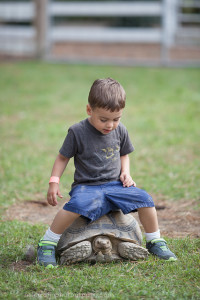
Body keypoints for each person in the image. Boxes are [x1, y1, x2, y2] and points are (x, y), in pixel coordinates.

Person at [37, 78, 177, 267]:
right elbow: (63, 157)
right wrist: (54, 181)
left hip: (115, 186)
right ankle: (48, 242)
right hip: (87, 187)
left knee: (146, 200)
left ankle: (154, 240)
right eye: (103, 119)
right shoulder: (77, 132)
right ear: (89, 110)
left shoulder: (120, 131)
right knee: (73, 206)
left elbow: (124, 154)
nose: (110, 125)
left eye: (116, 119)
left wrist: (126, 173)